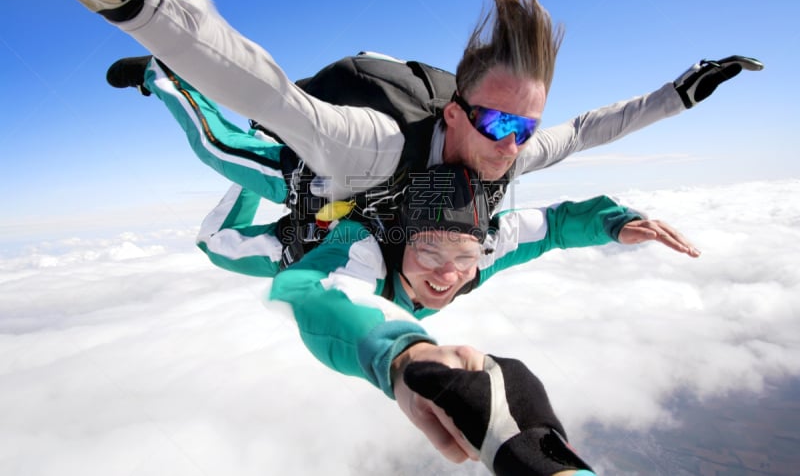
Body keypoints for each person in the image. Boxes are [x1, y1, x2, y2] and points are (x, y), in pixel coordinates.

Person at [2, 0, 763, 204]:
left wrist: (683, 91)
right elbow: (272, 92)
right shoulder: (375, 146)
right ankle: (158, 80)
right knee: (230, 143)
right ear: (458, 115)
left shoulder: (515, 144)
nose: (514, 146)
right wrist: (137, 3)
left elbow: (592, 128)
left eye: (525, 127)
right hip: (319, 164)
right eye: (499, 124)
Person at [199, 161, 698, 474]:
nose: (447, 275)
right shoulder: (365, 248)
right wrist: (403, 354)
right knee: (216, 242)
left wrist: (615, 222)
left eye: (464, 257)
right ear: (401, 239)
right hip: (300, 248)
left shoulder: (481, 250)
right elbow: (301, 288)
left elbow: (551, 226)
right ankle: (201, 117)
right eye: (428, 253)